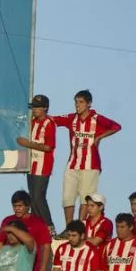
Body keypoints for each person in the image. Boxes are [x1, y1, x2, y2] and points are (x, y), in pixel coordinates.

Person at [51, 89, 122, 227]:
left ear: (89, 103)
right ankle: (69, 227)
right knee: (67, 198)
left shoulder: (97, 118)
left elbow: (116, 126)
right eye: (76, 102)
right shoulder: (71, 118)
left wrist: (100, 136)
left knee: (85, 197)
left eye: (81, 102)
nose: (78, 105)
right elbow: (52, 120)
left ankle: (80, 227)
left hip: (91, 165)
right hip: (72, 164)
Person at [0, 190, 53, 271]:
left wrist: (43, 270)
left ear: (28, 206)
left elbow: (46, 246)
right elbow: (0, 244)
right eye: (14, 206)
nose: (17, 209)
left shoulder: (37, 222)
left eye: (20, 206)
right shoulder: (7, 221)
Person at [17, 94, 58, 234]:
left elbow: (48, 147)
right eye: (33, 107)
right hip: (31, 163)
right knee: (32, 197)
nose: (34, 110)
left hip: (43, 163)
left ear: (45, 108)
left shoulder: (49, 123)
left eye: (37, 107)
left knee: (38, 196)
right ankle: (37, 226)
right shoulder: (32, 122)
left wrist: (28, 144)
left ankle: (49, 226)